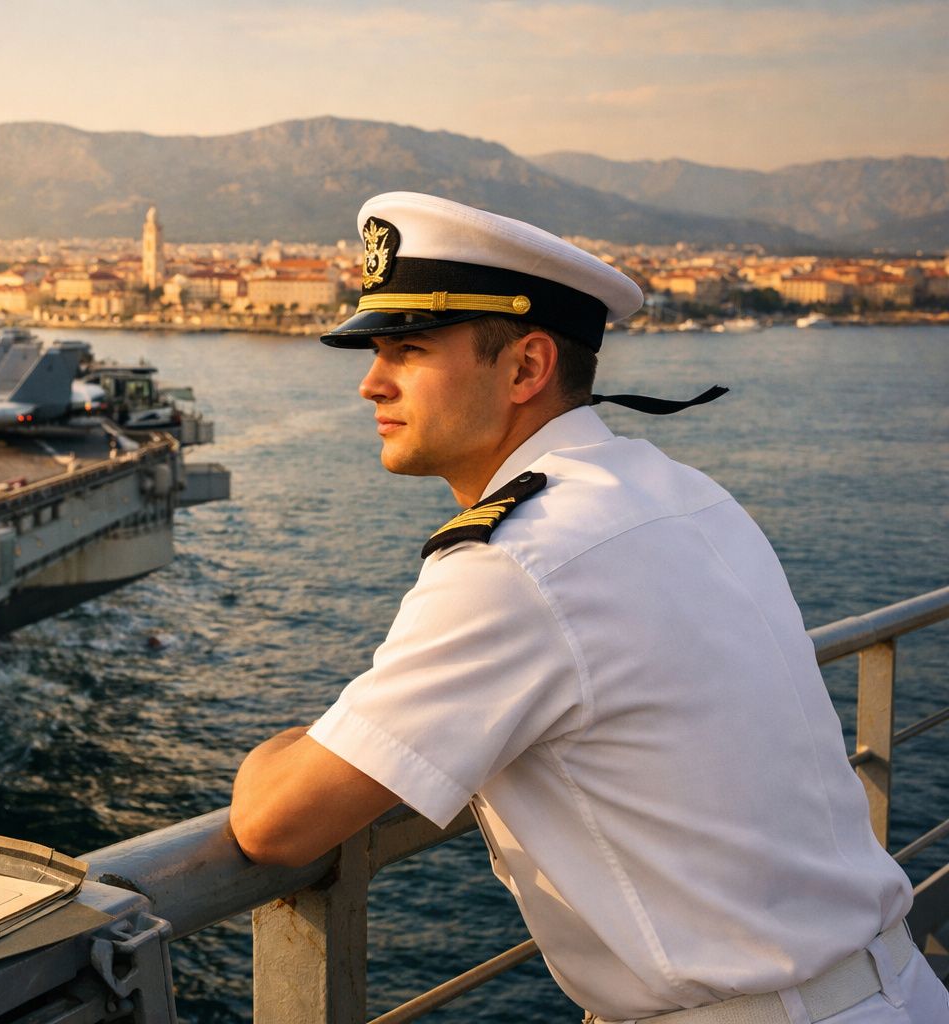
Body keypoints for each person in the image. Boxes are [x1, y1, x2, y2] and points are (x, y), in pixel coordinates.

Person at [228, 191, 948, 1023]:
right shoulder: (683, 492)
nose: (369, 382)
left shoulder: (516, 561)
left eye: (408, 349)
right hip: (891, 988)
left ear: (527, 368)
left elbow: (274, 824)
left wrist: (284, 749)